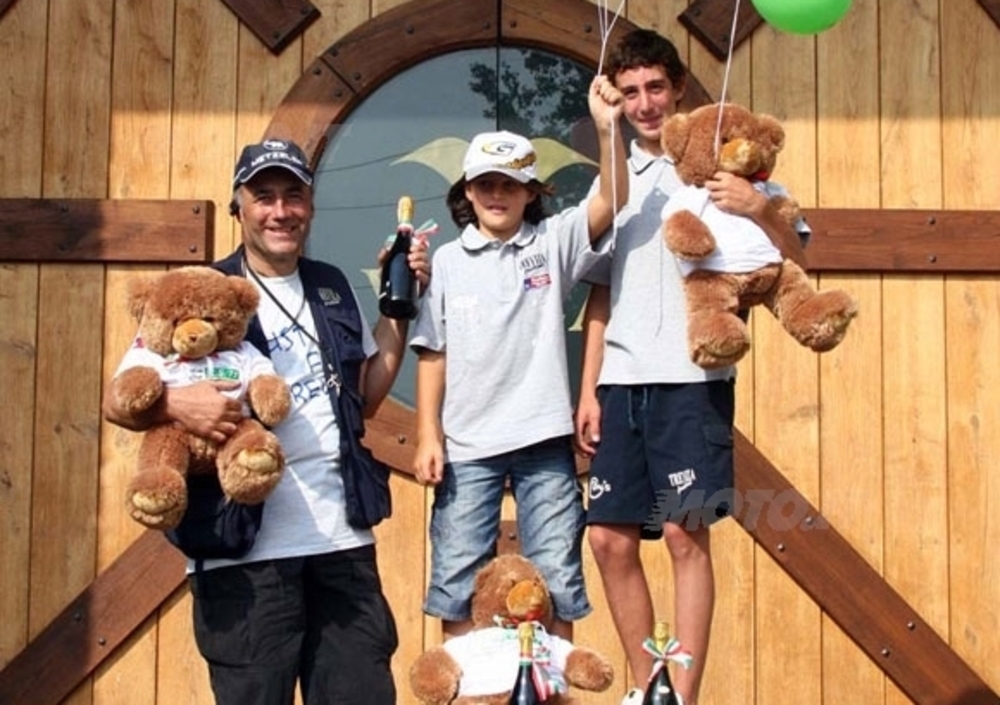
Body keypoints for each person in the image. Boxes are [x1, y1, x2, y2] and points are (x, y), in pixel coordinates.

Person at [103, 138, 429, 705]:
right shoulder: (202, 291)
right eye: (265, 197)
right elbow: (116, 401)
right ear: (239, 208)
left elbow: (363, 400)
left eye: (293, 196)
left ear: (310, 205)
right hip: (243, 550)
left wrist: (398, 308)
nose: (281, 211)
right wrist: (177, 406)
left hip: (341, 543)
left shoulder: (331, 285)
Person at [573, 30, 809, 705]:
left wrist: (758, 207)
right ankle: (647, 687)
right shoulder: (615, 181)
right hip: (619, 384)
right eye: (630, 92)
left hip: (693, 380)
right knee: (608, 540)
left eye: (655, 87)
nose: (645, 103)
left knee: (684, 533)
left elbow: (798, 256)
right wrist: (588, 388)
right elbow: (599, 295)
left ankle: (683, 693)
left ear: (678, 88)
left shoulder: (728, 166)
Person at [409, 75, 628, 643]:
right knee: (458, 580)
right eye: (485, 183)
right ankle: (467, 684)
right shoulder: (447, 261)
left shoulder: (553, 240)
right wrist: (428, 435)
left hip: (544, 439)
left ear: (532, 192)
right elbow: (432, 353)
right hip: (467, 445)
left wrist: (608, 130)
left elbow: (611, 200)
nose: (497, 194)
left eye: (510, 184)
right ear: (467, 191)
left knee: (556, 578)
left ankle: (553, 684)